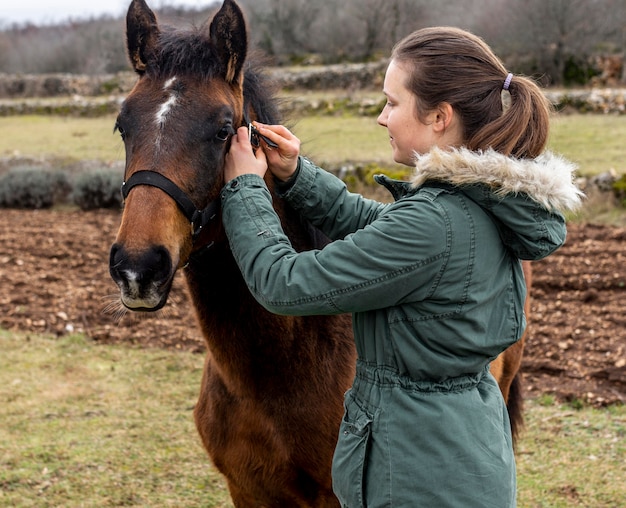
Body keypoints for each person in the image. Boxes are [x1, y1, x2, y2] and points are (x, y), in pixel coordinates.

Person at [221, 26, 582, 507]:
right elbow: (379, 226)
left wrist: (244, 188)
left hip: (415, 474)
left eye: (392, 102)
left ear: (439, 116)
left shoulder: (435, 222)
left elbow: (283, 283)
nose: (380, 116)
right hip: (455, 455)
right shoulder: (476, 202)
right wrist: (296, 175)